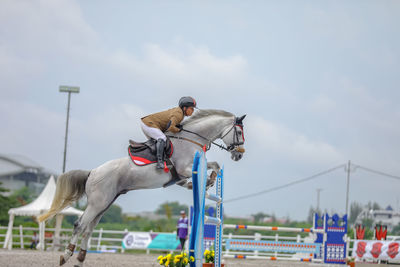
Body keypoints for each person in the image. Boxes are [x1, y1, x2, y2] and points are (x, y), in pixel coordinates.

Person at [141, 96, 196, 169]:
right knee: (162, 138)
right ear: (184, 108)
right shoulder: (178, 114)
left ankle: (154, 160)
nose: (193, 111)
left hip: (148, 123)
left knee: (160, 141)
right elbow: (170, 127)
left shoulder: (180, 113)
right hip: (148, 124)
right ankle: (159, 162)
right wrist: (178, 130)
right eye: (191, 108)